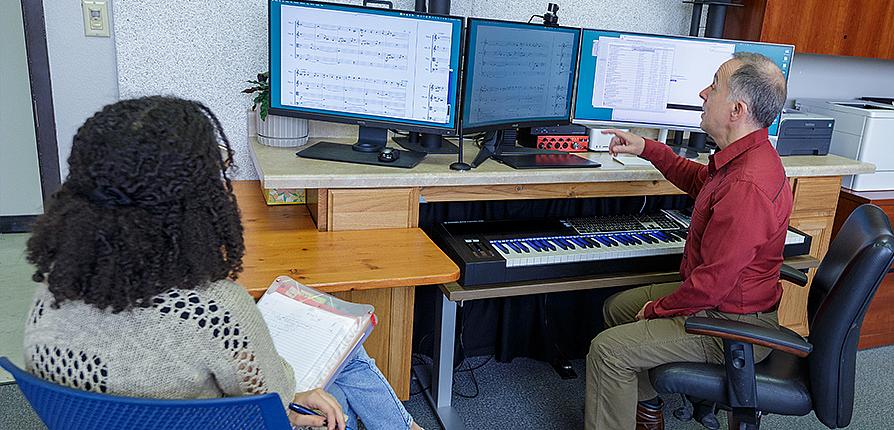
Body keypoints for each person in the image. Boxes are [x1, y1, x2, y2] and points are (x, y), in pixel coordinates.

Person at [23, 96, 422, 430]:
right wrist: (296, 403)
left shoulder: (52, 293)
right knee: (346, 365)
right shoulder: (214, 309)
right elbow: (270, 399)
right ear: (198, 199)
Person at [585, 52, 792, 430]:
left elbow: (709, 287)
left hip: (731, 326)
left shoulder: (748, 185)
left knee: (607, 352)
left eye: (713, 87)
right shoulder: (746, 158)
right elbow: (701, 183)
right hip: (721, 304)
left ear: (736, 109)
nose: (702, 93)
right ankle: (647, 410)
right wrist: (649, 148)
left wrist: (657, 309)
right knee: (617, 308)